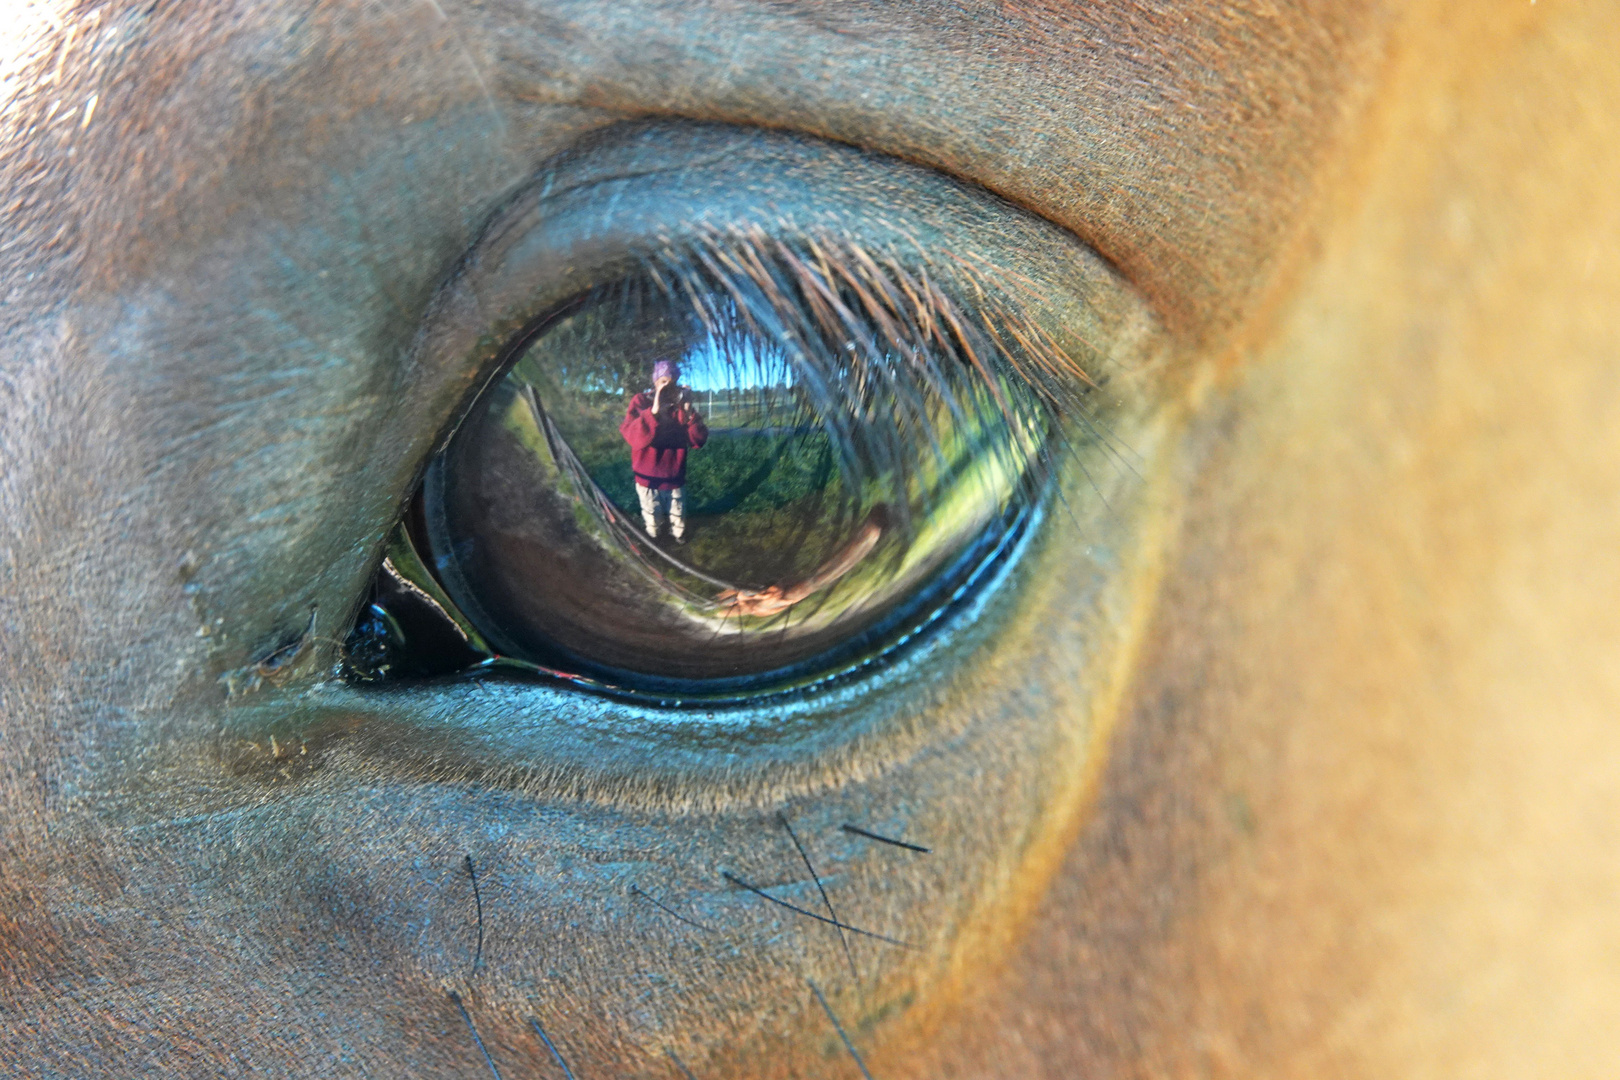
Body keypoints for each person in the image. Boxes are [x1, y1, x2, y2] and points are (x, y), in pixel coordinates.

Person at [619, 359, 708, 542]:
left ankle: (679, 535)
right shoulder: (641, 401)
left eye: (672, 383)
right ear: (655, 382)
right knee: (652, 514)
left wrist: (689, 411)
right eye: (663, 383)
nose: (668, 388)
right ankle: (654, 539)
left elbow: (698, 441)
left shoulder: (681, 407)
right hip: (647, 476)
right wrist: (653, 411)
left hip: (674, 475)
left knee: (678, 512)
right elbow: (633, 437)